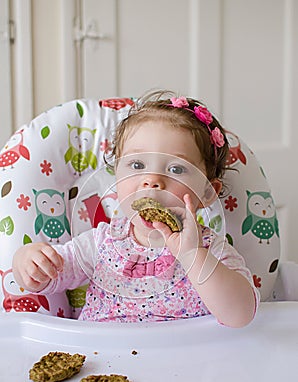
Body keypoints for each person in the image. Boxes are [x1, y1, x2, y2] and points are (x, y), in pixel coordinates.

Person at [12, 91, 259, 327]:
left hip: (184, 363)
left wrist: (193, 256)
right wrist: (28, 264)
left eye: (175, 169)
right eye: (137, 164)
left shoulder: (209, 249)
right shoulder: (101, 243)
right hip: (103, 359)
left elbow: (240, 315)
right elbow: (48, 277)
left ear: (207, 192)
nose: (152, 180)